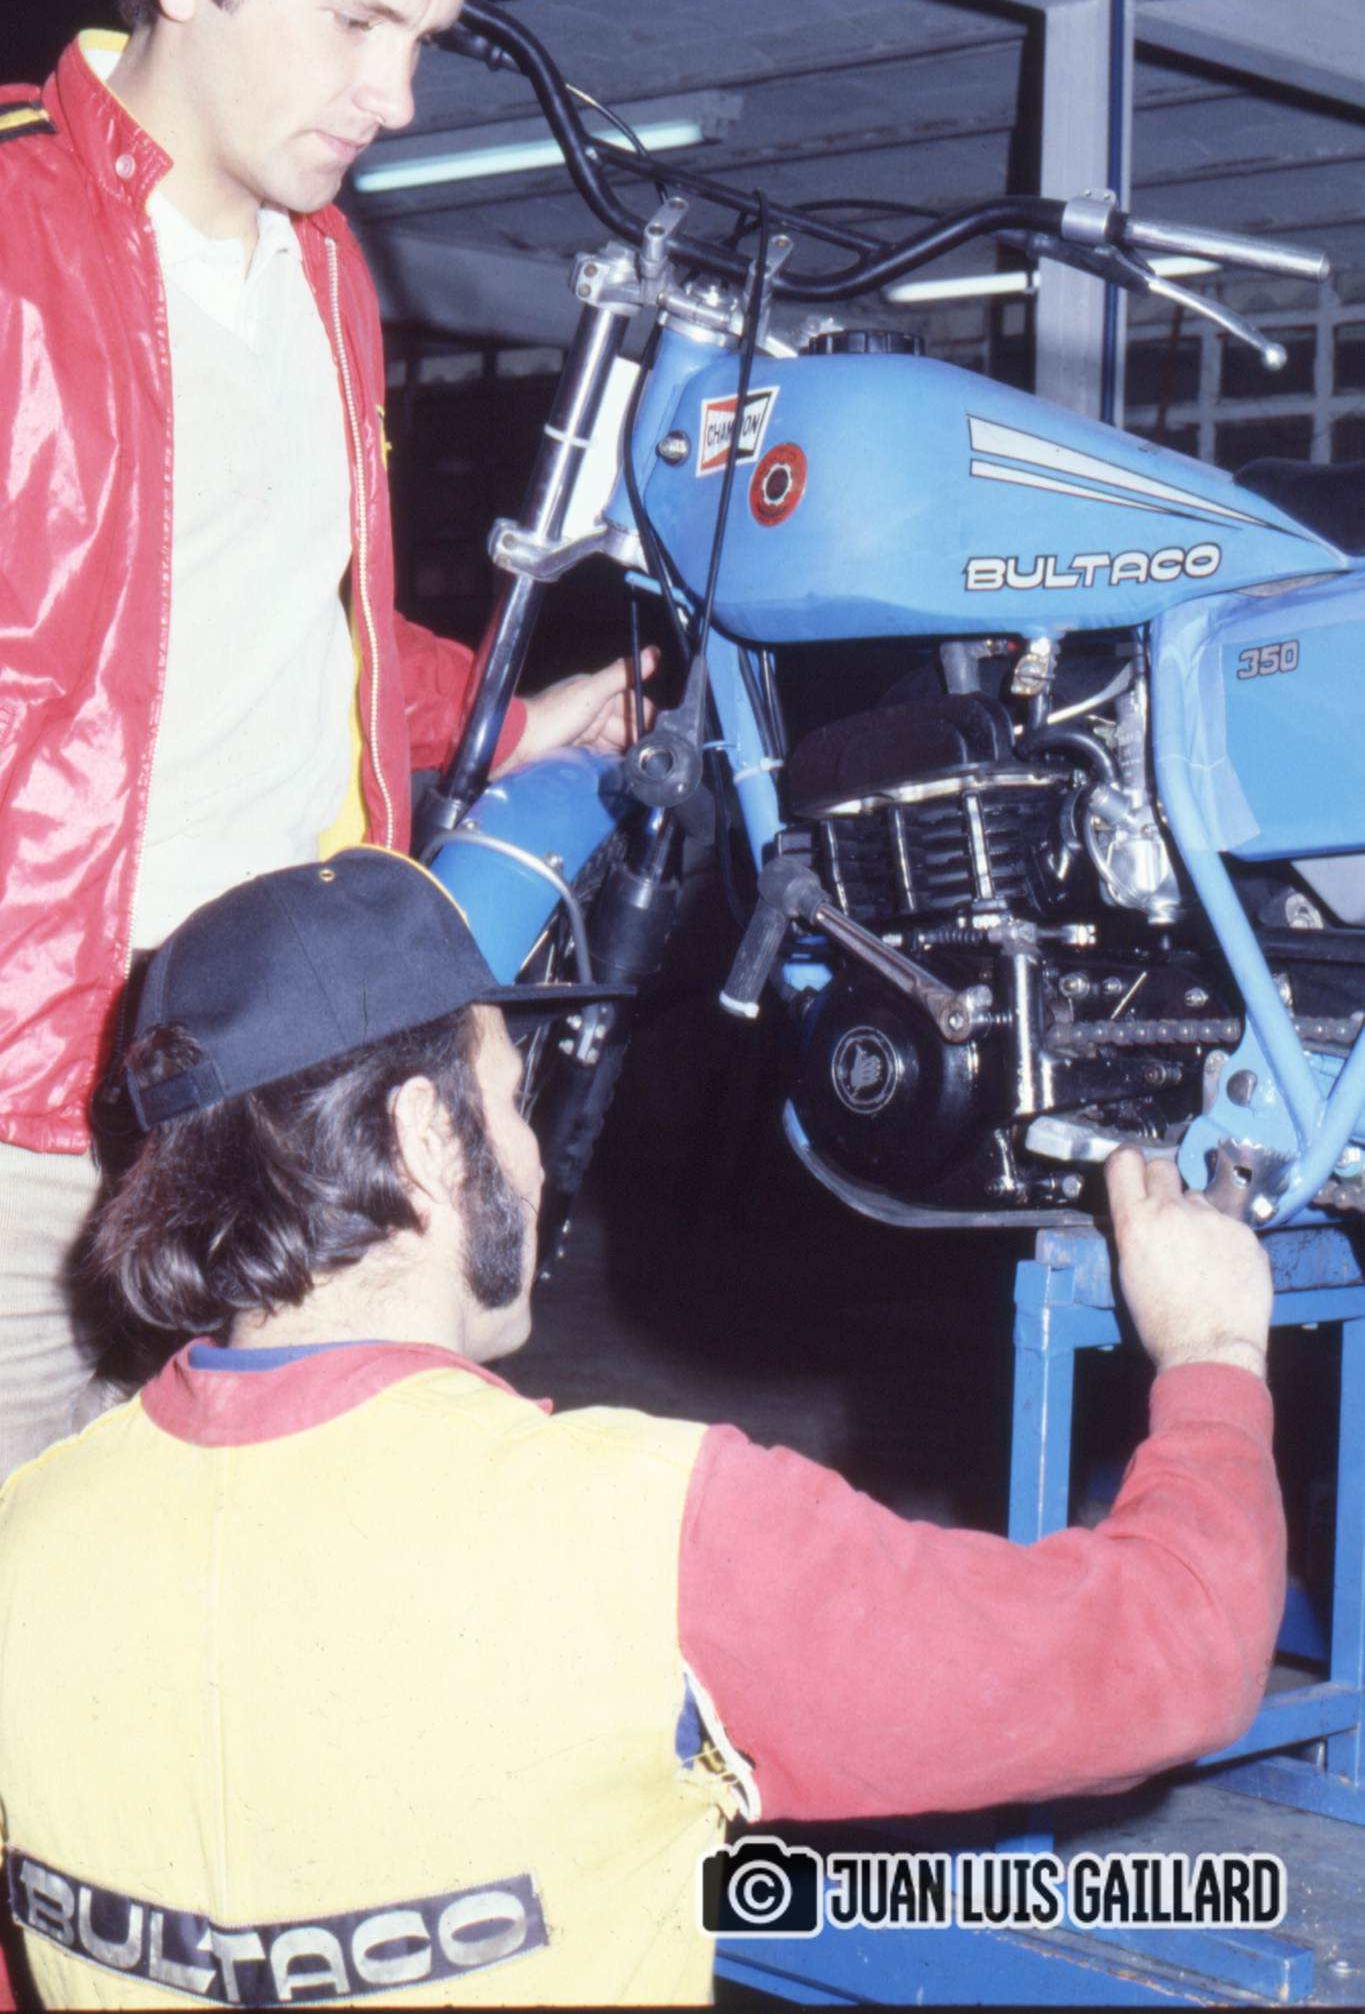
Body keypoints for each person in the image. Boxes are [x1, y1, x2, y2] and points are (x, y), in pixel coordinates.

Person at [0, 849, 1284, 2007]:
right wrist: (1213, 1349)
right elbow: (1175, 1648)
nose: (534, 1157)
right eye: (511, 1099)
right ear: (428, 1138)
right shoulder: (648, 1534)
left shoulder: (30, 1532)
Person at [0, 0, 645, 1477]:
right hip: (20, 1110)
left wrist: (517, 713)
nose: (398, 95)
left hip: (268, 1097)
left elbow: (288, 617)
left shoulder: (325, 271)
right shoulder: (9, 237)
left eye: (421, 38)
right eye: (357, 21)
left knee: (208, 1603)